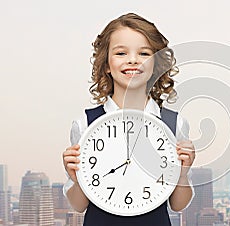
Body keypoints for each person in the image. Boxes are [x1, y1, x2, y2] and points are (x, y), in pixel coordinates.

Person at [62, 12, 195, 225]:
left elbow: (178, 205)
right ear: (106, 64)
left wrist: (182, 174)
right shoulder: (85, 124)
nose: (132, 60)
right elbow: (79, 206)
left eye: (144, 53)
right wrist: (77, 179)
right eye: (121, 53)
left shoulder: (173, 124)